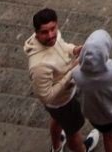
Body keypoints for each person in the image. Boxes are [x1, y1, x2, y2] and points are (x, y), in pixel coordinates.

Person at [25, 8, 99, 152]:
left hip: (61, 101)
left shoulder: (53, 38)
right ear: (36, 32)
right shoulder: (39, 65)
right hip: (63, 103)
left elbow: (62, 45)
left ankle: (56, 148)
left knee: (58, 121)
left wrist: (74, 50)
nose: (51, 35)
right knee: (73, 132)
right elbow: (46, 96)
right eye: (44, 32)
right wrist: (71, 72)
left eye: (53, 29)